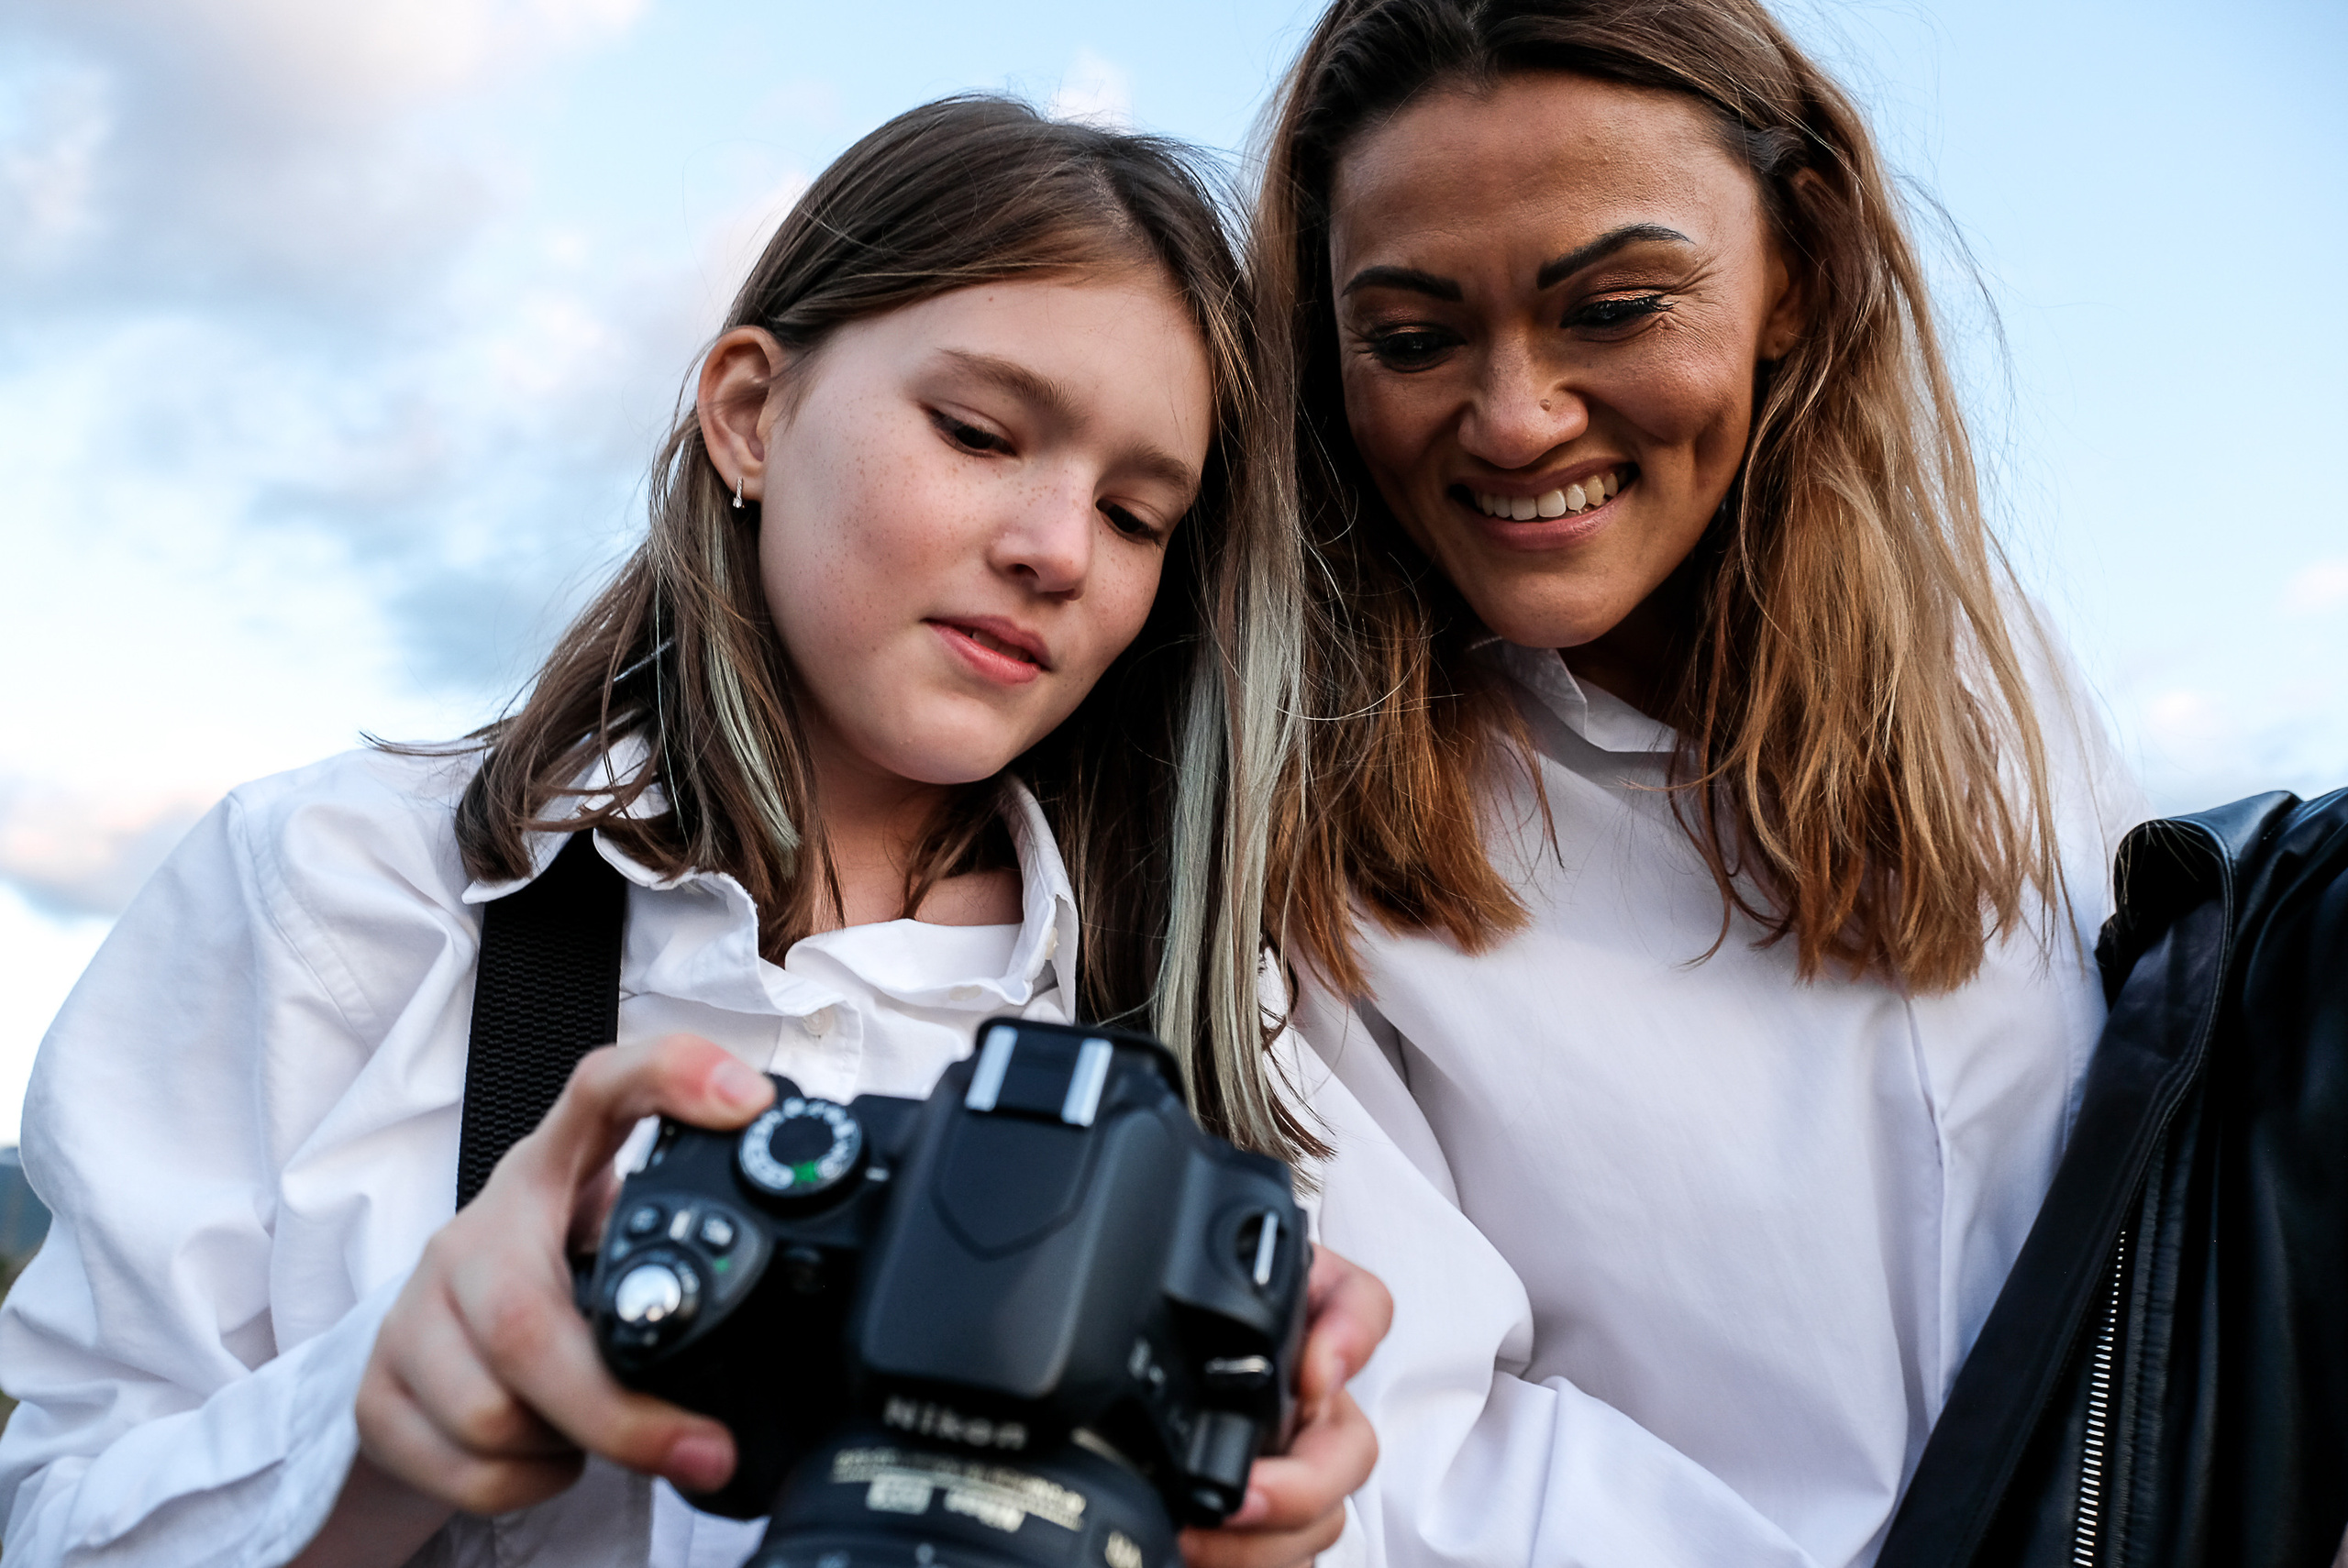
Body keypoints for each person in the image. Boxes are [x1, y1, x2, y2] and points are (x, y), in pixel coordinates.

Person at [0, 97, 1385, 1568]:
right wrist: (377, 1419)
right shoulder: (343, 891)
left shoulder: (1208, 1036)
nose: (1055, 548)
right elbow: (56, 1521)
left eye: (1136, 514)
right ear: (749, 412)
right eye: (980, 433)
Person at [1201, 3, 2148, 1564]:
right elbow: (1413, 1451)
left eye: (1618, 305)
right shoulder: (1292, 847)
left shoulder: (1996, 680)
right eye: (1415, 338)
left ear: (1802, 272)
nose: (1515, 418)